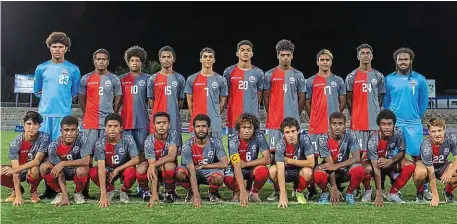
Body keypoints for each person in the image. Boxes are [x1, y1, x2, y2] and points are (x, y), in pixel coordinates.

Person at [33, 31, 80, 199]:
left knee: (61, 152)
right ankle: (49, 188)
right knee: (44, 153)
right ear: (49, 48)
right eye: (54, 47)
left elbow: (74, 92)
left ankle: (68, 189)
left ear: (66, 49)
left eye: (61, 47)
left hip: (63, 116)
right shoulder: (41, 68)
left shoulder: (73, 69)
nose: (57, 50)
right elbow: (37, 90)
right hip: (45, 116)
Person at [345, 44, 385, 198]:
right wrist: (356, 113)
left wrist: (374, 110)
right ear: (358, 56)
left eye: (368, 53)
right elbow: (349, 100)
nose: (365, 56)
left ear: (372, 56)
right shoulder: (351, 76)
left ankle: (375, 189)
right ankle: (364, 188)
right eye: (362, 53)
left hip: (374, 125)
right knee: (359, 158)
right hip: (358, 124)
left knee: (373, 158)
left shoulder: (379, 76)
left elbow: (380, 97)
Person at [305, 49, 346, 199]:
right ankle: (312, 188)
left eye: (327, 60)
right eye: (322, 60)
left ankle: (338, 185)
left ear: (331, 61)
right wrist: (315, 116)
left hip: (333, 129)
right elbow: (307, 103)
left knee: (335, 158)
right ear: (317, 62)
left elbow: (342, 101)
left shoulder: (338, 81)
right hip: (316, 126)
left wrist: (335, 114)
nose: (324, 62)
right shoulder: (310, 81)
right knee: (313, 159)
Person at [175, 114, 228, 208]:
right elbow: (191, 171)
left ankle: (213, 192)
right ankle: (192, 190)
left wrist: (203, 166)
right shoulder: (188, 145)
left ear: (209, 128)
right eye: (198, 126)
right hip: (193, 171)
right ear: (193, 128)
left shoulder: (216, 142)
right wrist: (196, 196)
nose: (200, 129)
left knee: (218, 177)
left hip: (209, 171)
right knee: (179, 172)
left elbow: (224, 163)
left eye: (204, 126)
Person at [364, 109, 415, 206]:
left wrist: (390, 160)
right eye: (383, 124)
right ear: (379, 125)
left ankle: (393, 192)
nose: (387, 127)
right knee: (366, 169)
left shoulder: (398, 133)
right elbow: (376, 167)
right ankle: (368, 190)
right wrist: (378, 194)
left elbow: (402, 152)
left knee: (410, 166)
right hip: (375, 164)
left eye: (389, 124)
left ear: (394, 125)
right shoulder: (373, 139)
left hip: (389, 160)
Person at [263, 39, 306, 153]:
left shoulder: (298, 75)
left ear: (292, 56)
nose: (285, 57)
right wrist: (271, 113)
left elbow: (302, 99)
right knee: (273, 153)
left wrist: (295, 113)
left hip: (292, 121)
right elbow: (266, 98)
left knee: (293, 151)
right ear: (278, 56)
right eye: (282, 55)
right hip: (274, 121)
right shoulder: (269, 75)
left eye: (288, 55)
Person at [89, 113, 140, 207]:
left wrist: (117, 169)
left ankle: (123, 191)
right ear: (105, 128)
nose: (112, 129)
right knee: (94, 172)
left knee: (131, 171)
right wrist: (103, 194)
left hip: (122, 169)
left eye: (116, 126)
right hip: (108, 170)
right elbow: (100, 167)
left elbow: (136, 159)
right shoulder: (100, 143)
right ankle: (110, 190)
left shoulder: (128, 138)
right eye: (109, 126)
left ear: (121, 128)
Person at [313, 112, 364, 205]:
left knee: (359, 168)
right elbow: (330, 165)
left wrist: (337, 166)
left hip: (344, 171)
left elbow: (356, 158)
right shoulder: (323, 139)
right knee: (318, 173)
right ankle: (325, 192)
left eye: (340, 124)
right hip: (329, 172)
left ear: (344, 125)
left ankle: (349, 193)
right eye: (334, 124)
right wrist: (333, 186)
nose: (337, 127)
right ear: (329, 125)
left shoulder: (350, 135)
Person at [39, 116, 91, 206]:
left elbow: (86, 161)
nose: (69, 133)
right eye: (66, 130)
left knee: (83, 169)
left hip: (76, 170)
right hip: (63, 172)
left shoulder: (82, 137)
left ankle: (78, 193)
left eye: (73, 130)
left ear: (77, 131)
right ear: (61, 131)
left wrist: (63, 163)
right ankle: (60, 193)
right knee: (44, 167)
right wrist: (65, 197)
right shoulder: (53, 146)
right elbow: (60, 173)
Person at [1, 111, 50, 205]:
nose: (31, 127)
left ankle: (33, 191)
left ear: (39, 126)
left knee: (35, 169)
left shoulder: (44, 137)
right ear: (23, 125)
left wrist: (15, 169)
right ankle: (16, 190)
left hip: (34, 170)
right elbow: (15, 170)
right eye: (28, 124)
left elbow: (37, 161)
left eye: (35, 124)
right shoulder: (15, 143)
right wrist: (18, 197)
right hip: (19, 170)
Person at [78, 49, 122, 153]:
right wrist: (87, 112)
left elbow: (118, 97)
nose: (101, 62)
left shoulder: (114, 78)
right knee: (88, 152)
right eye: (98, 59)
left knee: (106, 152)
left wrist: (113, 113)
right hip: (90, 122)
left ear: (108, 61)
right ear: (94, 61)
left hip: (107, 123)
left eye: (104, 59)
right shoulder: (86, 78)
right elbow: (81, 97)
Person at [223, 113, 270, 206]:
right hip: (236, 169)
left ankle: (254, 192)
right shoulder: (233, 141)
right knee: (227, 177)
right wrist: (242, 191)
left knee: (263, 171)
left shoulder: (259, 137)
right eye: (244, 127)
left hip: (251, 168)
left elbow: (267, 159)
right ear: (239, 128)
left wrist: (246, 164)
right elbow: (236, 166)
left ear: (254, 128)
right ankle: (237, 192)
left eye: (250, 128)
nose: (247, 131)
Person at [268, 117, 315, 207]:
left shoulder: (305, 140)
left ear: (298, 131)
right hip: (287, 172)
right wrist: (283, 193)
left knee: (308, 172)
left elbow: (311, 163)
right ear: (283, 134)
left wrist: (289, 160)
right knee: (272, 171)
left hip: (300, 171)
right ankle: (278, 191)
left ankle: (299, 192)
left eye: (293, 131)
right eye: (287, 132)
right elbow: (280, 169)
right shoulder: (280, 145)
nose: (291, 135)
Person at [185, 48, 228, 142]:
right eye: (205, 57)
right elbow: (189, 101)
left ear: (214, 60)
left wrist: (216, 114)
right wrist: (194, 117)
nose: (208, 59)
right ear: (200, 59)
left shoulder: (221, 80)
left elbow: (223, 101)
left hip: (215, 122)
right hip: (197, 122)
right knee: (197, 152)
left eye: (210, 57)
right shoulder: (191, 79)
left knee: (217, 152)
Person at [147, 46, 186, 149]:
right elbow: (151, 101)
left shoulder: (180, 78)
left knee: (175, 151)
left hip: (174, 120)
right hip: (158, 120)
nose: (166, 59)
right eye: (163, 57)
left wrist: (173, 111)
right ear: (160, 59)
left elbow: (180, 101)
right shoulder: (152, 79)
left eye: (169, 57)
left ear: (173, 58)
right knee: (156, 149)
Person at [223, 40, 265, 135]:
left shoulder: (259, 73)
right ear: (237, 53)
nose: (245, 52)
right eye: (242, 50)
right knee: (234, 148)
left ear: (252, 53)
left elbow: (259, 98)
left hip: (252, 117)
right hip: (234, 117)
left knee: (252, 148)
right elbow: (225, 95)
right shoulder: (228, 72)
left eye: (248, 50)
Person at [136, 112, 179, 204]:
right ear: (154, 125)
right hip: (154, 168)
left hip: (166, 168)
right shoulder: (148, 141)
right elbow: (152, 167)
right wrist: (155, 192)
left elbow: (171, 156)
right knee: (140, 169)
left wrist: (154, 164)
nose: (161, 125)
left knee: (169, 166)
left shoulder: (173, 135)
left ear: (169, 124)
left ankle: (169, 191)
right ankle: (146, 191)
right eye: (158, 123)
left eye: (164, 123)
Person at [414, 118, 457, 205]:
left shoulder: (451, 138)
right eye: (433, 131)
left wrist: (450, 171)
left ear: (444, 129)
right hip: (426, 167)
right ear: (429, 132)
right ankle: (420, 192)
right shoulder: (426, 145)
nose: (437, 134)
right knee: (420, 173)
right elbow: (431, 172)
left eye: (439, 130)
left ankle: (448, 192)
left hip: (442, 165)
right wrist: (435, 196)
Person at [118, 46, 151, 152]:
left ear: (142, 62)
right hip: (125, 121)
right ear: (128, 62)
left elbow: (151, 101)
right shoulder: (121, 79)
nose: (135, 63)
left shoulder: (148, 79)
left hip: (142, 121)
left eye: (137, 60)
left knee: (142, 151)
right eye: (132, 60)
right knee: (126, 152)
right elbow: (118, 102)